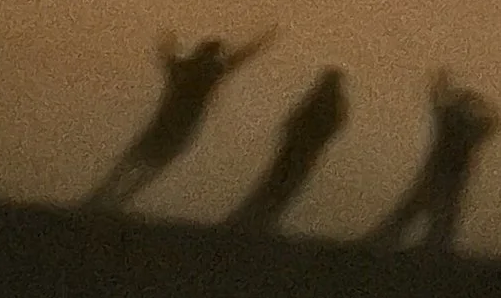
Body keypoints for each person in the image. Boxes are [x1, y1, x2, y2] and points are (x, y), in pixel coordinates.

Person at [86, 28, 276, 210]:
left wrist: (168, 46)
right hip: (178, 124)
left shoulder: (189, 68)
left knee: (139, 159)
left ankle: (107, 196)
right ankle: (113, 198)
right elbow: (238, 59)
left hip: (170, 122)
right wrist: (260, 43)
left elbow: (169, 59)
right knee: (147, 163)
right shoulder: (207, 71)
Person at [365, 72, 501, 255]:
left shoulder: (452, 125)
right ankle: (431, 246)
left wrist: (446, 90)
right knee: (438, 213)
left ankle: (389, 239)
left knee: (419, 210)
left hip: (440, 173)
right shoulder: (467, 131)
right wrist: (476, 103)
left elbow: (439, 105)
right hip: (450, 175)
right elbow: (492, 124)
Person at [227, 65, 349, 231]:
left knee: (281, 183)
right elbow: (308, 123)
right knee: (280, 182)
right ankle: (256, 218)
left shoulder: (323, 102)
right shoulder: (325, 102)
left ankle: (259, 219)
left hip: (301, 149)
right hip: (298, 149)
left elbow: (322, 125)